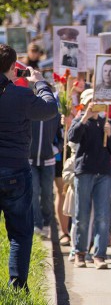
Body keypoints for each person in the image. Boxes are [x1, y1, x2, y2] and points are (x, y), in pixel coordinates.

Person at [0, 46, 58, 288]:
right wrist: (40, 83)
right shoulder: (21, 96)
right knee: (21, 234)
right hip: (15, 170)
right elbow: (50, 109)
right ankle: (17, 288)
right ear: (14, 67)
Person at [68, 88, 111, 269]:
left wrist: (110, 135)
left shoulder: (108, 123)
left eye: (96, 102)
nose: (93, 106)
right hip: (85, 172)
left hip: (103, 173)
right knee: (82, 215)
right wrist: (84, 117)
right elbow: (73, 137)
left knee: (102, 216)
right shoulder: (80, 121)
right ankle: (80, 252)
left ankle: (99, 254)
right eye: (90, 102)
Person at [29, 109, 61, 240]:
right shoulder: (29, 112)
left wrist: (55, 149)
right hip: (30, 160)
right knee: (33, 192)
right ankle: (37, 224)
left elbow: (62, 137)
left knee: (47, 194)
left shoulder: (55, 114)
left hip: (48, 161)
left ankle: (47, 222)